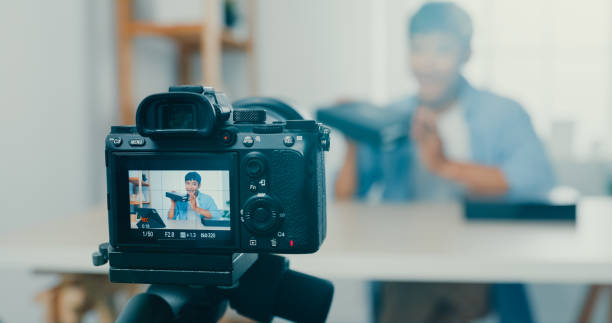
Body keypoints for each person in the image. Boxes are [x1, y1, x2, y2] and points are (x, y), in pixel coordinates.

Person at [335, 2, 555, 323]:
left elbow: (536, 180)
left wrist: (445, 165)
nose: (428, 63)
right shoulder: (391, 118)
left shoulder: (503, 113)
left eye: (442, 50)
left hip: (477, 264)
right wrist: (353, 139)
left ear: (466, 53)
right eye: (418, 49)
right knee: (408, 281)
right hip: (404, 265)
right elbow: (345, 199)